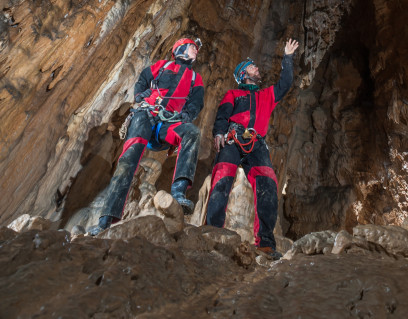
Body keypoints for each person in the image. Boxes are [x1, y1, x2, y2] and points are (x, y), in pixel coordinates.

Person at [89, 36, 204, 235]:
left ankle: (178, 192)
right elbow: (143, 79)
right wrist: (140, 96)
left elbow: (196, 102)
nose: (196, 51)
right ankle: (106, 220)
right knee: (128, 160)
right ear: (180, 49)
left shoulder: (195, 78)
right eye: (192, 47)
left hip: (167, 122)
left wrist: (187, 114)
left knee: (191, 132)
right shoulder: (162, 65)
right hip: (145, 115)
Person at [205, 38, 299, 259]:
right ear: (243, 74)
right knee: (223, 177)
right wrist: (219, 133)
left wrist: (288, 57)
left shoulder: (266, 95)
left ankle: (265, 242)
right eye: (252, 67)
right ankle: (211, 231)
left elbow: (285, 84)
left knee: (268, 181)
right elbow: (222, 115)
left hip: (257, 144)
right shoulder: (234, 94)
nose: (257, 69)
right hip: (233, 137)